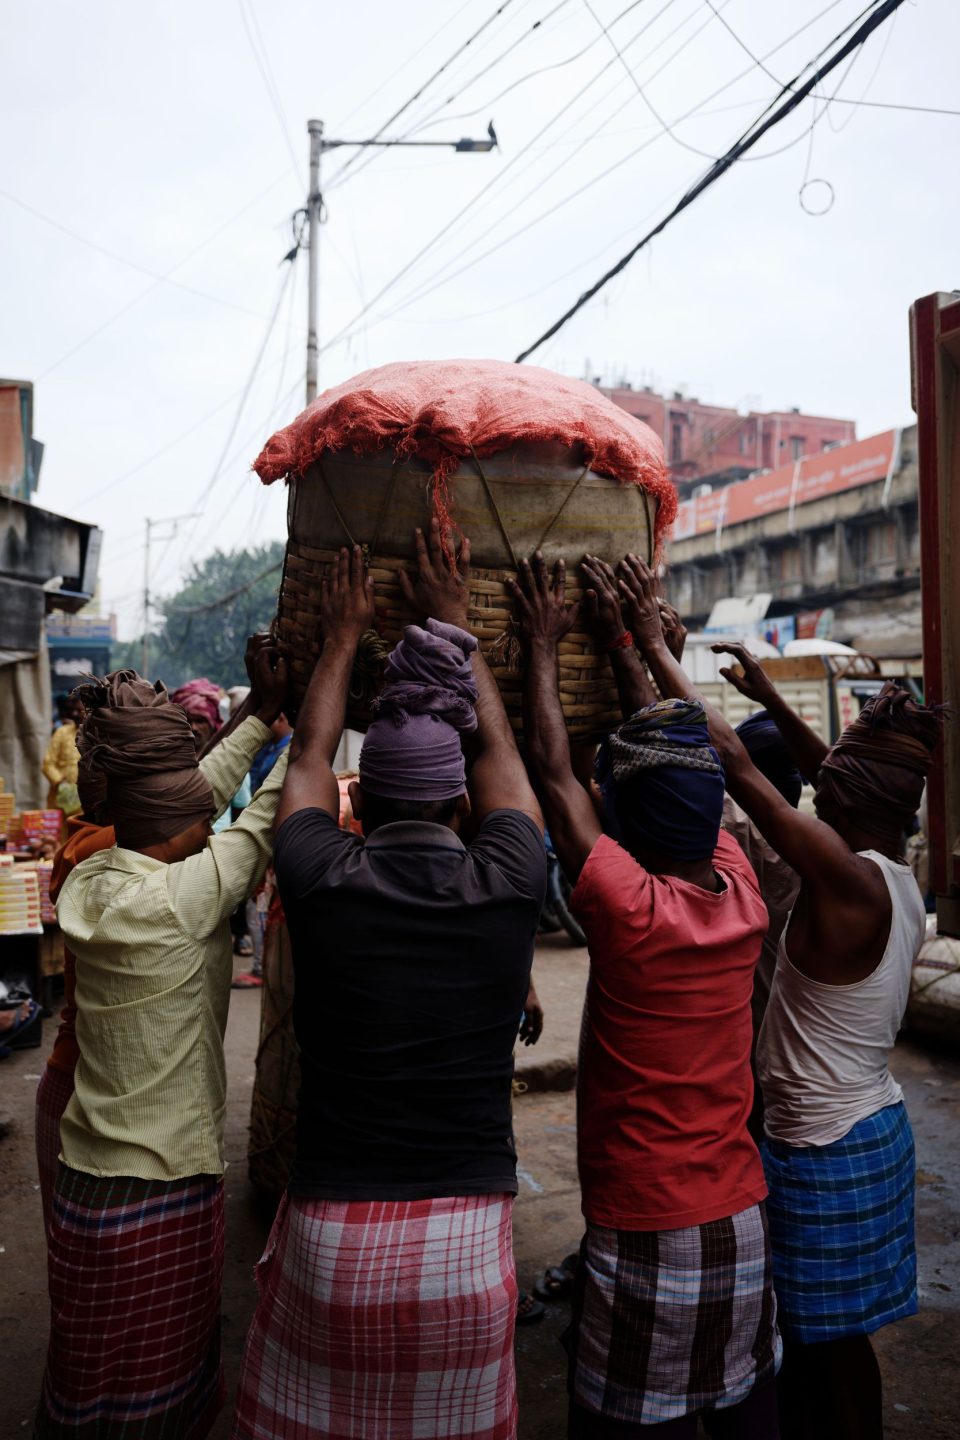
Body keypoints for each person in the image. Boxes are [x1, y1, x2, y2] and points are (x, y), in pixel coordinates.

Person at [618, 557, 944, 1440]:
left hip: (825, 1146)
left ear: (852, 797)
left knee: (827, 1344)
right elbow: (821, 768)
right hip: (865, 1123)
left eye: (832, 777)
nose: (815, 778)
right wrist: (768, 691)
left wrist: (651, 647)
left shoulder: (848, 884)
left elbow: (736, 767)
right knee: (818, 1339)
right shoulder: (891, 868)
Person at [232, 528, 546, 1440]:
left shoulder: (322, 876)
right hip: (468, 1245)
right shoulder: (511, 877)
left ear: (357, 804)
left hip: (336, 1233)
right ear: (459, 804)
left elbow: (306, 761)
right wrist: (457, 630)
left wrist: (339, 638)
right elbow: (513, 776)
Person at [512, 552, 780, 1439]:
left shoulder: (629, 905)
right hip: (740, 1216)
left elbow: (555, 773)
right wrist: (629, 642)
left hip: (644, 1223)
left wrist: (542, 643)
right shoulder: (737, 888)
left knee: (619, 1422)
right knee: (740, 1411)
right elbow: (688, 765)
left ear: (624, 819)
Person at [35, 643, 289, 1440]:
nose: (204, 830)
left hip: (88, 1178)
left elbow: (199, 800)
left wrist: (258, 716)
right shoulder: (184, 899)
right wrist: (314, 711)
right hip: (162, 1183)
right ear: (180, 827)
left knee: (94, 1368)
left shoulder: (98, 873)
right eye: (197, 825)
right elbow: (263, 815)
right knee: (157, 1381)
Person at [42, 694, 83, 809]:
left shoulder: (98, 735)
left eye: (79, 710)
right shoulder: (62, 732)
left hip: (90, 798)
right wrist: (61, 783)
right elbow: (48, 763)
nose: (74, 714)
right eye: (72, 710)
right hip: (62, 798)